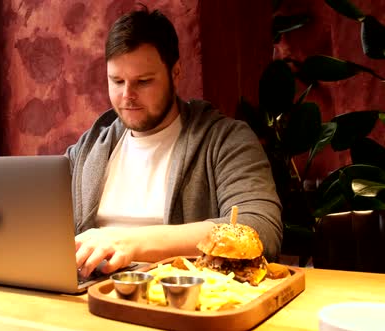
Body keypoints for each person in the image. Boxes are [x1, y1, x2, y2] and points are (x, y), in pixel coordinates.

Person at [65, 6, 282, 278]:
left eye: (143, 82)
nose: (127, 95)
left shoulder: (225, 140)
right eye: (117, 81)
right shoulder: (90, 147)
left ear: (176, 73)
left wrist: (130, 242)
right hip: (90, 297)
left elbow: (260, 229)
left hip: (180, 300)